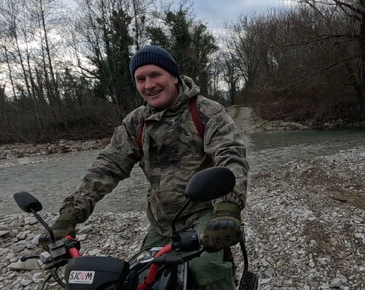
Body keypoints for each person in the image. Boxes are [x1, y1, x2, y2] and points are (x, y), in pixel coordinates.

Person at [48, 45, 249, 289]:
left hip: (204, 214)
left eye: (155, 75)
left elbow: (230, 155)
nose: (148, 85)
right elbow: (107, 166)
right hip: (161, 221)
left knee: (206, 270)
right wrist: (69, 215)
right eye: (140, 79)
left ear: (174, 76)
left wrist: (227, 208)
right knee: (140, 276)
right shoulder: (135, 122)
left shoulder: (206, 111)